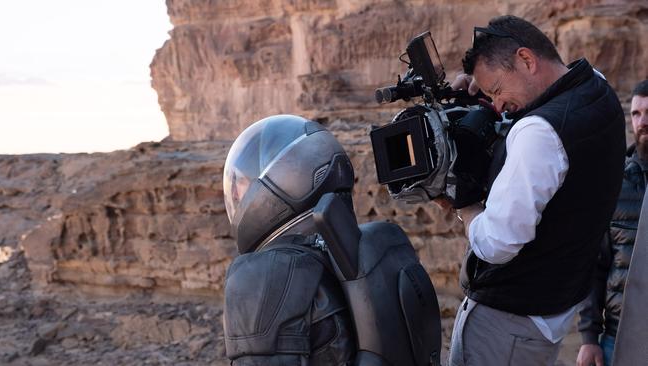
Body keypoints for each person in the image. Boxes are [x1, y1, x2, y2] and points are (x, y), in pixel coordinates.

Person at [445, 15, 627, 365]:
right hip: (548, 312)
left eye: (496, 91)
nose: (496, 106)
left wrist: (464, 207)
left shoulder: (539, 132)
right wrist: (484, 99)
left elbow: (498, 244)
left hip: (506, 326)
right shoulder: (596, 88)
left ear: (527, 60)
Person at [221, 114, 442, 365]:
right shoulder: (371, 249)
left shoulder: (263, 274)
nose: (238, 193)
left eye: (242, 183)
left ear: (285, 177)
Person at [576, 79, 648, 366]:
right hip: (619, 337)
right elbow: (594, 265)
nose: (643, 122)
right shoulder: (613, 182)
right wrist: (589, 338)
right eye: (636, 114)